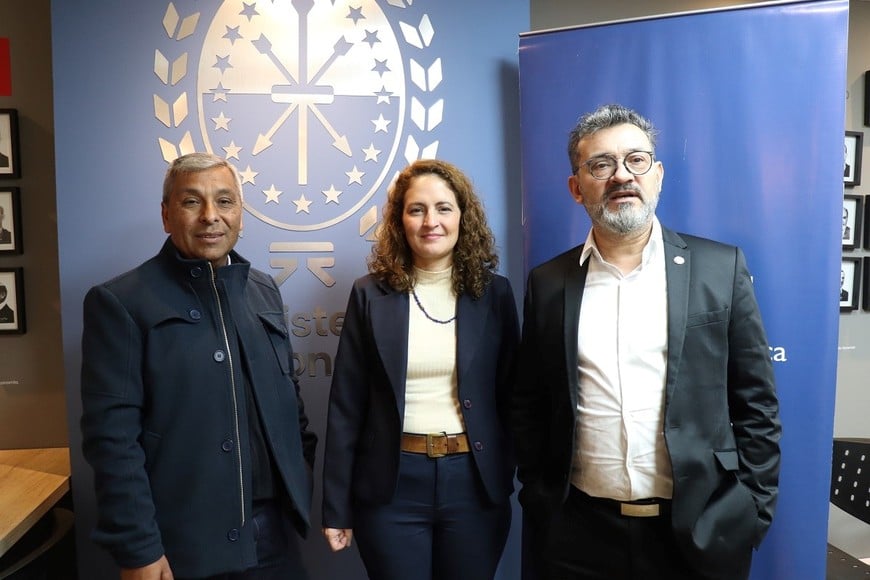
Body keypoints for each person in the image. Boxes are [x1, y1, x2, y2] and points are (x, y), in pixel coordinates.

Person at [510, 104, 781, 580]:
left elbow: (756, 402)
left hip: (698, 532)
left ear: (657, 175)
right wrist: (538, 495)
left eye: (636, 160)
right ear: (577, 187)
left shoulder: (720, 268)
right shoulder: (548, 282)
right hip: (578, 535)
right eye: (601, 164)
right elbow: (530, 401)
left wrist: (750, 512)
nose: (621, 176)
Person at [80, 152, 317, 580]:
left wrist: (303, 482)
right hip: (181, 544)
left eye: (225, 202)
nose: (211, 216)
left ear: (240, 214)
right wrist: (138, 550)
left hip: (274, 536)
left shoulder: (262, 290)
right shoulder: (121, 302)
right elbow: (112, 442)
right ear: (166, 214)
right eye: (192, 202)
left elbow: (290, 408)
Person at [321, 158, 520, 580]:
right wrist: (336, 507)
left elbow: (513, 396)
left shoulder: (495, 294)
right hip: (391, 488)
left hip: (473, 485)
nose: (431, 221)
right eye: (417, 209)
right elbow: (345, 409)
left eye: (444, 208)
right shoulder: (369, 295)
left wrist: (506, 469)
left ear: (463, 216)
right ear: (400, 221)